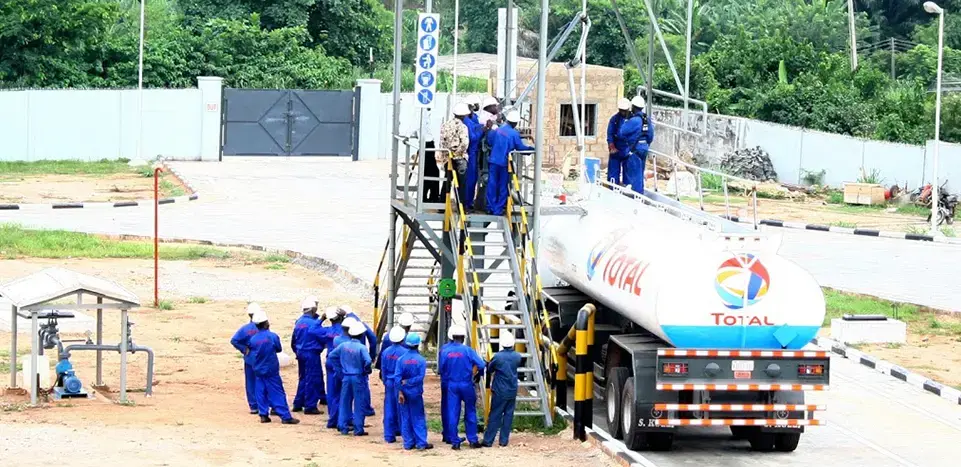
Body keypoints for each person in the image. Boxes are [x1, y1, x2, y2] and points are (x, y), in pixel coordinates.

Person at [248, 308, 300, 425]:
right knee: (277, 392)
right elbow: (278, 349)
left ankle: (263, 414)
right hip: (271, 369)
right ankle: (285, 416)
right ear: (266, 323)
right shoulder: (272, 336)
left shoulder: (253, 339)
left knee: (260, 391)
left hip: (258, 369)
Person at [439, 325, 486, 450]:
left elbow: (441, 369)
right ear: (463, 337)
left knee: (453, 412)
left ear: (452, 336)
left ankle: (454, 441)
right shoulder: (468, 350)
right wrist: (472, 372)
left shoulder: (445, 351)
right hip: (466, 384)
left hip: (452, 385)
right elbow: (481, 364)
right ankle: (473, 440)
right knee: (470, 410)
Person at [485, 110, 533, 215]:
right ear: (515, 122)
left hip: (493, 161)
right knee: (503, 186)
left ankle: (490, 207)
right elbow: (520, 148)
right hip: (504, 163)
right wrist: (531, 149)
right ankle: (498, 210)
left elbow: (489, 140)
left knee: (491, 184)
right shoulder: (514, 134)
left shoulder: (498, 130)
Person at [329, 322, 373, 436]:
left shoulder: (343, 345)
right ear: (361, 334)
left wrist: (339, 370)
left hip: (346, 377)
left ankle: (343, 426)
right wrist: (366, 369)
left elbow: (332, 356)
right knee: (359, 403)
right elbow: (368, 361)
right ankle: (358, 429)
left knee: (344, 402)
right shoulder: (362, 347)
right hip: (358, 377)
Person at [395, 333, 433, 450]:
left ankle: (408, 443)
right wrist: (409, 382)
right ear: (418, 345)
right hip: (415, 392)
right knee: (418, 417)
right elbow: (421, 376)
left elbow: (397, 377)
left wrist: (400, 392)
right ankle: (421, 443)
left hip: (404, 393)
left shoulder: (401, 360)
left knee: (405, 417)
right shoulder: (421, 360)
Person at [482, 332, 521, 446]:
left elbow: (490, 369)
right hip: (512, 390)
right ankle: (504, 441)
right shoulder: (517, 356)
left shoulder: (498, 357)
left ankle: (488, 440)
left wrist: (487, 363)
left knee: (495, 415)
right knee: (508, 415)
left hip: (500, 390)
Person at [340, 305, 377, 417]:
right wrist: (371, 355)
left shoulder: (345, 327)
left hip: (348, 360)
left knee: (346, 388)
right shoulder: (361, 324)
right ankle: (366, 408)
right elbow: (373, 339)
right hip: (362, 358)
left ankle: (347, 415)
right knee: (363, 384)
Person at [291, 296, 324, 413]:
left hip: (300, 353)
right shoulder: (314, 323)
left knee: (303, 378)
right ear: (313, 309)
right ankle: (310, 405)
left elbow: (293, 340)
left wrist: (297, 351)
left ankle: (298, 403)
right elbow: (322, 337)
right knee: (312, 379)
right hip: (311, 353)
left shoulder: (299, 322)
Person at [618, 96, 656, 193]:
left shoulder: (634, 120)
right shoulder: (646, 119)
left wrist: (627, 120)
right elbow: (650, 136)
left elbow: (622, 132)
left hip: (635, 149)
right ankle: (641, 192)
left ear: (633, 107)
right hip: (644, 148)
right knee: (640, 172)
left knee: (635, 174)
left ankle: (637, 195)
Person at [229, 303, 262, 414]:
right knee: (263, 381)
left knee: (250, 382)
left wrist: (244, 349)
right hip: (262, 359)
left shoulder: (245, 329)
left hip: (250, 358)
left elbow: (234, 340)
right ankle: (265, 405)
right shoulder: (263, 327)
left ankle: (253, 406)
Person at [377, 326, 408, 443]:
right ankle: (404, 434)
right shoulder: (404, 352)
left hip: (389, 382)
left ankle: (389, 435)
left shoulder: (386, 352)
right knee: (402, 408)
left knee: (389, 407)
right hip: (399, 382)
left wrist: (385, 380)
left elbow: (383, 369)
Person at [440, 103, 471, 202]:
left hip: (447, 157)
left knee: (447, 181)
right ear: (463, 115)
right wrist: (457, 153)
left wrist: (447, 154)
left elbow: (442, 141)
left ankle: (442, 204)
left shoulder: (445, 125)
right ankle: (461, 205)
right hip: (459, 158)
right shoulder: (462, 127)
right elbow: (465, 143)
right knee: (461, 184)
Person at [323, 307, 349, 429]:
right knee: (342, 393)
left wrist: (321, 318)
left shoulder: (327, 331)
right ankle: (341, 420)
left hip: (329, 361)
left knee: (331, 391)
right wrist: (346, 316)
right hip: (340, 363)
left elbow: (312, 331)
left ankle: (332, 418)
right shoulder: (342, 332)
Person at [463, 102, 485, 211]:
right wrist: (483, 130)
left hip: (473, 153)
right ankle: (466, 204)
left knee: (472, 180)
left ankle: (468, 202)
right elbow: (473, 137)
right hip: (471, 153)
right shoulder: (466, 121)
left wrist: (482, 126)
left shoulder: (470, 119)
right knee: (470, 180)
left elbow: (475, 126)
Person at [607, 97, 633, 186]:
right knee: (613, 173)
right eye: (621, 110)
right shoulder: (614, 119)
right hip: (617, 148)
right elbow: (610, 134)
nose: (623, 113)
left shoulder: (633, 119)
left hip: (628, 148)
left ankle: (628, 189)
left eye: (624, 111)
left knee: (629, 173)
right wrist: (612, 146)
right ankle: (612, 188)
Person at [420, 109, 442, 203]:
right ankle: (431, 196)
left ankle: (427, 196)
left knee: (428, 171)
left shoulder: (424, 115)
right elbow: (436, 134)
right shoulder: (426, 115)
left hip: (427, 145)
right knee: (430, 172)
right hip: (428, 145)